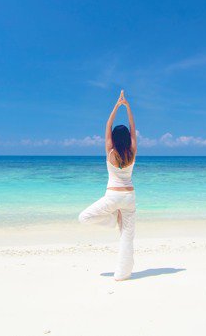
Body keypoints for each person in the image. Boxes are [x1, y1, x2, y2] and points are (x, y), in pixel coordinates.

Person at [78, 90, 137, 281]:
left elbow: (107, 124)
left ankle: (111, 221)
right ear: (128, 138)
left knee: (84, 217)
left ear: (114, 138)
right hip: (129, 197)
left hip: (112, 197)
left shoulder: (110, 152)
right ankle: (122, 275)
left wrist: (116, 106)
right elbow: (133, 127)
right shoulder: (132, 151)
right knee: (127, 237)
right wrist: (127, 107)